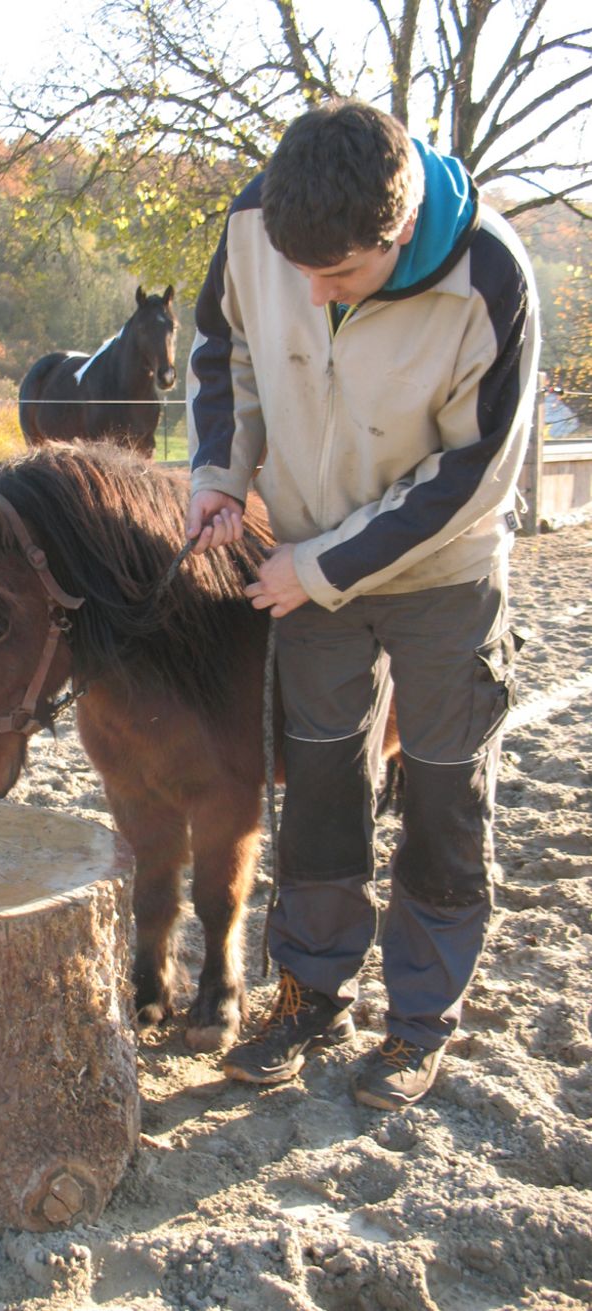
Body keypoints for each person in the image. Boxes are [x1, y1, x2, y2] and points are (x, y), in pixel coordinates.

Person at [185, 99, 539, 1110]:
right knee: (322, 790)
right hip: (305, 554)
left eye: (334, 276)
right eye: (296, 269)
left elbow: (470, 471)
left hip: (440, 575)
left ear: (394, 234)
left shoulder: (489, 277)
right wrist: (218, 474)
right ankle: (307, 992)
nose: (307, 289)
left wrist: (317, 569)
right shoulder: (260, 225)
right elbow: (224, 353)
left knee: (438, 793)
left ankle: (417, 1021)